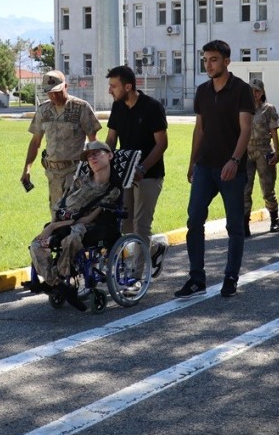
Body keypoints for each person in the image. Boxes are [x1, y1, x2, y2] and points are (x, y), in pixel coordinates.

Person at [175, 40, 254, 299]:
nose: (208, 64)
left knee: (235, 225)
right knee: (194, 220)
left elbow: (246, 129)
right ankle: (197, 278)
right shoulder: (202, 91)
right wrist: (192, 163)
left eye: (214, 59)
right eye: (205, 59)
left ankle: (231, 277)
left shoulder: (242, 90)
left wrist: (234, 160)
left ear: (227, 61)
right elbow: (200, 128)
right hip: (204, 167)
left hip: (231, 168)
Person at [26, 141, 123, 309]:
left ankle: (55, 283)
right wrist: (53, 225)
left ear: (110, 155)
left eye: (97, 153)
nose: (92, 158)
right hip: (61, 223)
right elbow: (60, 207)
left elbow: (88, 219)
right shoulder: (79, 181)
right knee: (36, 245)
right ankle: (58, 284)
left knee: (72, 239)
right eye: (89, 156)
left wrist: (53, 227)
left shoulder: (111, 189)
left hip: (85, 226)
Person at [104, 65, 169, 245]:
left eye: (113, 86)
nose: (110, 91)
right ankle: (154, 249)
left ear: (128, 87)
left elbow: (162, 143)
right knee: (124, 225)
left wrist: (142, 168)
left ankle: (139, 273)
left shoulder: (152, 107)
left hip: (149, 175)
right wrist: (103, 159)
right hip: (125, 175)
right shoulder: (117, 106)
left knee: (141, 225)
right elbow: (111, 139)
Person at [22, 70, 100, 215]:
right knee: (56, 215)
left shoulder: (81, 108)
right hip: (53, 174)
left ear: (66, 86)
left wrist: (96, 169)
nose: (54, 96)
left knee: (75, 214)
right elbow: (35, 142)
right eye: (50, 92)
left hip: (75, 171)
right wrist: (27, 168)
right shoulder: (43, 110)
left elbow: (93, 142)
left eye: (57, 91)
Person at [243, 78, 279, 235]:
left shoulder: (268, 109)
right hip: (246, 151)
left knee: (267, 188)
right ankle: (244, 223)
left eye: (257, 91)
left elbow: (274, 132)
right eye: (251, 91)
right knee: (244, 189)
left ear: (262, 92)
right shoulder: (243, 109)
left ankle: (274, 218)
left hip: (264, 150)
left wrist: (277, 152)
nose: (254, 94)